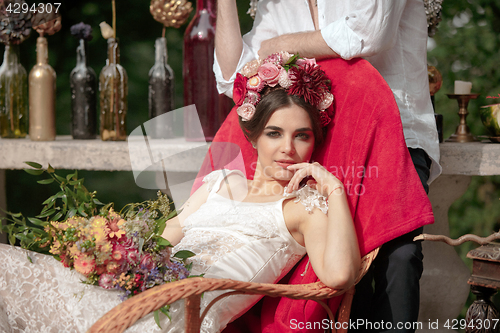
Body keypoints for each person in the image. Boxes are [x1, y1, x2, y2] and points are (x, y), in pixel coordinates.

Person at [0, 57, 360, 332]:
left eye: (302, 135)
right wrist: (112, 248)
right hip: (140, 292)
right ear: (253, 137)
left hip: (177, 316)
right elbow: (162, 240)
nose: (288, 148)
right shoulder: (220, 182)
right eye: (274, 133)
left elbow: (340, 276)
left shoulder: (304, 207)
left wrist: (336, 189)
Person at [214, 1, 441, 331]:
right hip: (324, 142)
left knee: (400, 258)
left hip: (396, 135)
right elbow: (236, 74)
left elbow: (366, 35)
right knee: (340, 267)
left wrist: (279, 45)